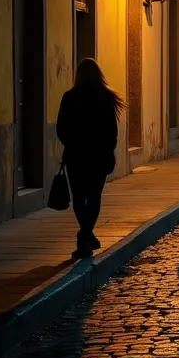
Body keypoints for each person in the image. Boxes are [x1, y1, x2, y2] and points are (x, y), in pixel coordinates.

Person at [55, 58, 124, 258]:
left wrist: (72, 143)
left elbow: (61, 128)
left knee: (79, 197)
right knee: (94, 197)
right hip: (99, 156)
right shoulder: (107, 97)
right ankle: (86, 236)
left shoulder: (70, 97)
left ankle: (84, 237)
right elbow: (112, 131)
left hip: (76, 156)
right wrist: (109, 150)